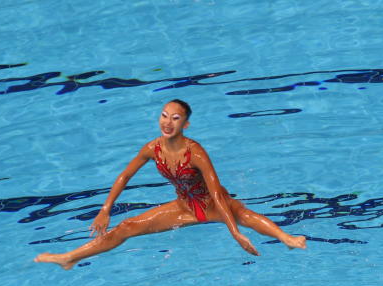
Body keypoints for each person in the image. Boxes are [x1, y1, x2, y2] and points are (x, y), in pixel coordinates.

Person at [34, 99, 307, 269]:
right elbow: (124, 176)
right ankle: (69, 257)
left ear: (185, 124)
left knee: (244, 215)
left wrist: (234, 233)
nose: (167, 122)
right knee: (126, 226)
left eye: (175, 118)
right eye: (164, 115)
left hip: (212, 204)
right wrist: (105, 209)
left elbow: (215, 193)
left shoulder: (196, 153)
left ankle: (287, 238)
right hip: (183, 206)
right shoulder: (152, 148)